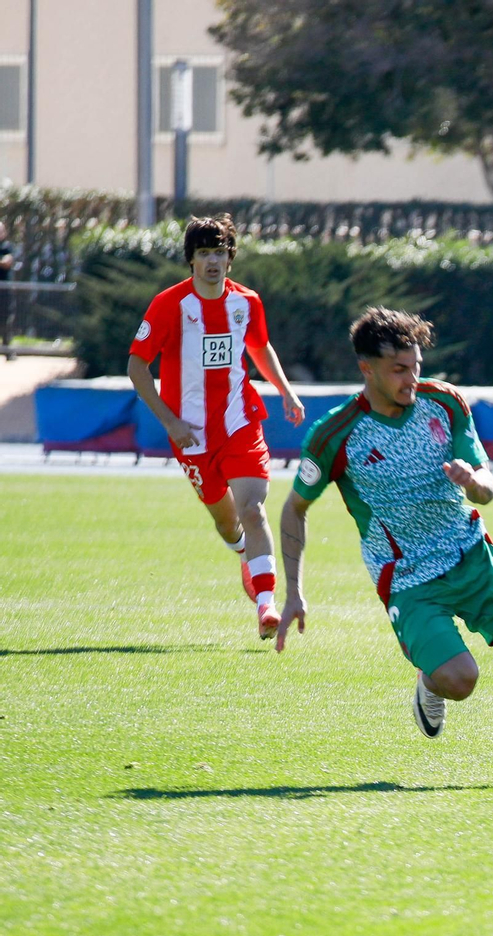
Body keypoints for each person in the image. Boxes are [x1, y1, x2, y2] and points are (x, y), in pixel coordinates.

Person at [274, 307, 493, 785]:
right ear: (367, 369)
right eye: (399, 370)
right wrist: (294, 591)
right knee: (460, 680)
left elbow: (486, 484)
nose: (412, 379)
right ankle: (431, 680)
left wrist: (474, 482)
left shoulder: (443, 403)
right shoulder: (335, 435)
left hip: (472, 556)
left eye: (416, 366)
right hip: (407, 579)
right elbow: (294, 508)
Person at [128, 214, 305, 639]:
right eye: (204, 253)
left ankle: (266, 605)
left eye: (220, 252)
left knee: (253, 509)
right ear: (191, 260)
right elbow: (137, 367)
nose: (212, 261)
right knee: (228, 523)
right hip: (189, 433)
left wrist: (284, 389)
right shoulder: (169, 305)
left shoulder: (247, 302)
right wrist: (170, 422)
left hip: (239, 422)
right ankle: (245, 554)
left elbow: (259, 347)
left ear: (230, 257)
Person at [0, 221, 16, 358]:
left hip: (4, 290)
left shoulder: (7, 247)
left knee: (6, 319)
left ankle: (7, 349)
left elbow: (7, 263)